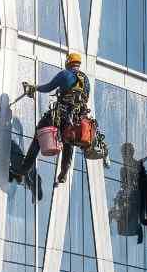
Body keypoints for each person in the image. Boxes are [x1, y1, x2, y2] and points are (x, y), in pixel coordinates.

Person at [10, 51, 101, 185]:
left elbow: (49, 87)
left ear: (68, 62)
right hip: (76, 118)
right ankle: (63, 174)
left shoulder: (66, 74)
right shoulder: (85, 80)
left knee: (39, 135)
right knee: (68, 141)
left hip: (61, 114)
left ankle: (22, 170)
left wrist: (34, 88)